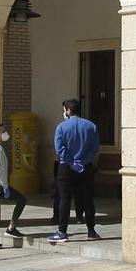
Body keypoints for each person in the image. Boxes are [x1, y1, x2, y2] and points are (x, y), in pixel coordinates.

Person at [48, 98, 100, 242]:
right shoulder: (91, 126)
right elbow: (94, 148)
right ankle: (91, 231)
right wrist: (82, 162)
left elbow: (59, 149)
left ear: (69, 110)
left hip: (66, 167)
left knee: (64, 199)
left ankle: (62, 232)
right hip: (85, 167)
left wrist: (72, 162)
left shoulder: (61, 127)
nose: (64, 112)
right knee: (87, 199)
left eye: (64, 110)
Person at [0, 123, 27, 249]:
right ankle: (11, 228)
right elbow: (0, 170)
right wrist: (5, 187)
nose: (5, 134)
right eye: (3, 132)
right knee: (22, 200)